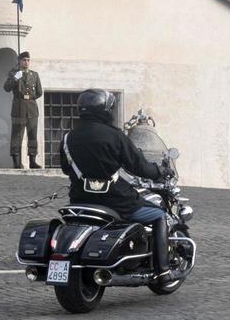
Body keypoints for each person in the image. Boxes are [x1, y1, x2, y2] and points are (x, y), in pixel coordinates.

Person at [59, 89, 180, 283]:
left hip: (80, 200)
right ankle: (163, 271)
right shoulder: (114, 136)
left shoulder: (68, 137)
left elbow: (66, 168)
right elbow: (138, 166)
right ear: (105, 110)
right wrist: (159, 171)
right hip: (116, 201)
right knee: (159, 216)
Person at [2, 51, 43, 169]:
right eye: (24, 60)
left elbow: (39, 92)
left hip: (31, 109)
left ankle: (32, 161)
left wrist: (30, 98)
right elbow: (6, 88)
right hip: (18, 107)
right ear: (19, 61)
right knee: (17, 135)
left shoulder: (34, 75)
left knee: (33, 135)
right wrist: (15, 78)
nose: (26, 62)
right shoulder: (14, 73)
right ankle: (16, 161)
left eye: (28, 60)